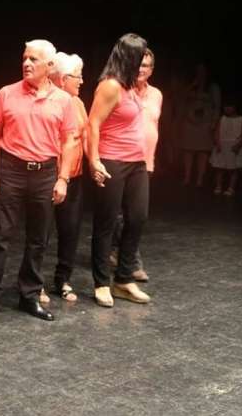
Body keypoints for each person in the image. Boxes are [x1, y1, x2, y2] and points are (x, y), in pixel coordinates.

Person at [0, 39, 78, 322]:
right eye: (25, 58)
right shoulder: (7, 93)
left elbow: (69, 141)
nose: (26, 63)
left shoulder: (63, 100)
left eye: (34, 59)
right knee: (0, 236)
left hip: (45, 173)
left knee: (38, 239)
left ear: (49, 65)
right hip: (11, 169)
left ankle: (30, 295)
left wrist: (63, 178)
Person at [88, 33, 152, 307]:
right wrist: (94, 160)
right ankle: (102, 283)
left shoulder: (130, 87)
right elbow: (92, 124)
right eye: (140, 57)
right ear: (129, 57)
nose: (142, 64)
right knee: (106, 223)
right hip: (112, 160)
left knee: (137, 217)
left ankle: (124, 280)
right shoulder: (110, 86)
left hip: (137, 162)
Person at [109, 48, 162, 282]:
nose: (141, 69)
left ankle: (116, 251)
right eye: (138, 64)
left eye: (146, 65)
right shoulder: (120, 90)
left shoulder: (157, 94)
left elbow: (153, 126)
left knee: (134, 215)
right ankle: (130, 262)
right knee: (122, 214)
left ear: (152, 70)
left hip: (144, 160)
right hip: (120, 158)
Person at [42, 52, 88, 303]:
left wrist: (96, 163)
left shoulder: (78, 103)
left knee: (70, 230)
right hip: (50, 176)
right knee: (42, 233)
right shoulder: (50, 102)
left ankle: (63, 279)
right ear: (62, 79)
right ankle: (35, 283)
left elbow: (86, 135)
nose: (81, 81)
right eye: (77, 76)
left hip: (74, 177)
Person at [178, 63, 220, 187]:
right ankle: (187, 177)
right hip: (189, 123)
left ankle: (200, 179)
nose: (200, 73)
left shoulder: (213, 87)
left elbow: (217, 106)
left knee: (202, 152)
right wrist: (192, 85)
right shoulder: (191, 85)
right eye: (198, 70)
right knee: (188, 150)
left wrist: (214, 122)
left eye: (203, 70)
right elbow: (181, 98)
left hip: (205, 123)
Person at [209, 96, 242, 196]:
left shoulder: (241, 119)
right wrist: (217, 143)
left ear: (235, 107)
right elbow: (217, 131)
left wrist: (238, 145)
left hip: (234, 146)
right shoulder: (222, 118)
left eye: (230, 106)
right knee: (219, 167)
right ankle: (218, 186)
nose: (227, 108)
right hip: (222, 144)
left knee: (233, 169)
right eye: (225, 106)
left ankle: (231, 188)